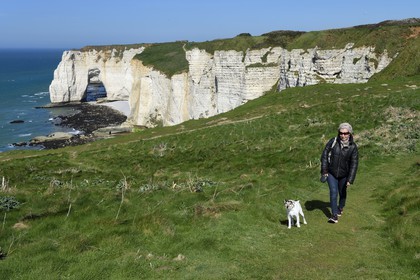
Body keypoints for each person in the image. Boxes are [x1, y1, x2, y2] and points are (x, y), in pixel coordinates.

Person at [320, 123, 359, 223]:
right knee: (333, 192)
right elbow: (324, 155)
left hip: (344, 175)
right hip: (331, 173)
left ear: (350, 134)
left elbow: (354, 164)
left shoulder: (353, 147)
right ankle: (334, 215)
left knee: (342, 192)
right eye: (341, 133)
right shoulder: (333, 142)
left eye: (346, 133)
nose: (343, 135)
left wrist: (350, 179)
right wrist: (324, 171)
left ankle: (340, 207)